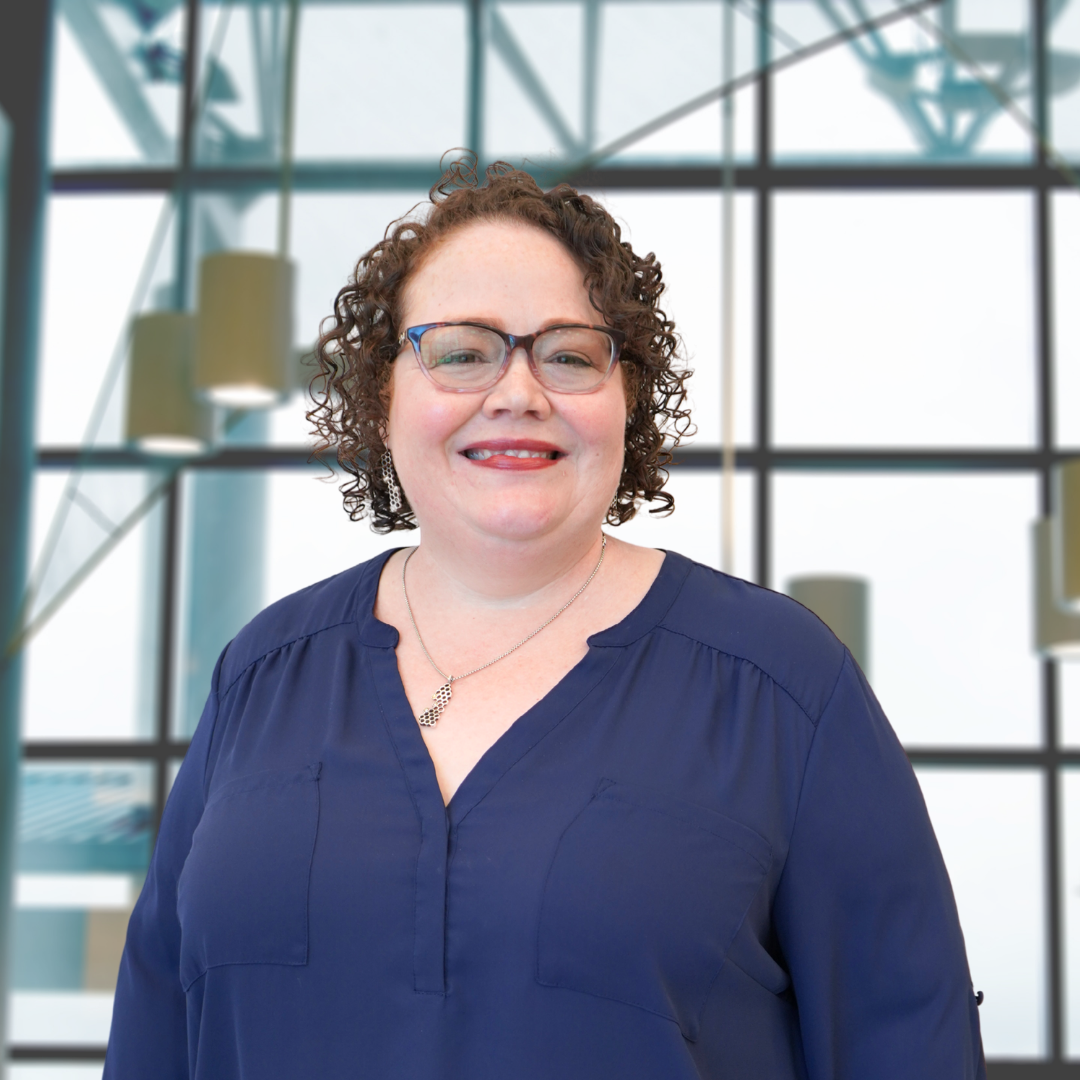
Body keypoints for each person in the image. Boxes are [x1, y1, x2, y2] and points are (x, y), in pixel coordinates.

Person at [104, 160, 986, 1079]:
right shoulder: (263, 673)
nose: (519, 391)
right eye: (460, 351)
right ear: (382, 396)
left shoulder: (780, 684)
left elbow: (908, 1042)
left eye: (569, 353)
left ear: (628, 399)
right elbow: (155, 1034)